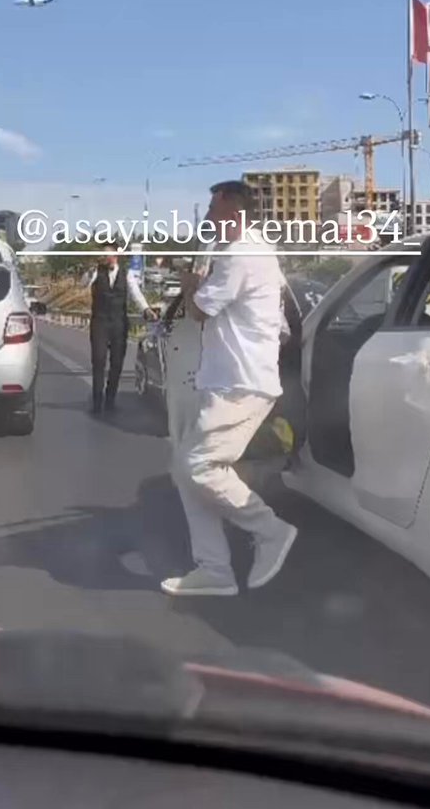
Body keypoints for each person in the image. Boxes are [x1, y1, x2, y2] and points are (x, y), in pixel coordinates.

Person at [161, 180, 298, 597]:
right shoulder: (247, 249)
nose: (207, 215)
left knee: (199, 466)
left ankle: (270, 530)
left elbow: (199, 311)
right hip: (228, 380)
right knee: (185, 469)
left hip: (242, 382)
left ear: (232, 211)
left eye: (212, 208)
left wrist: (189, 282)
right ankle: (214, 568)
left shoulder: (242, 252)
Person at [85, 245, 156, 415]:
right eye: (103, 255)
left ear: (116, 256)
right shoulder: (96, 272)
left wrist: (146, 309)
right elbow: (84, 284)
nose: (105, 258)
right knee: (98, 360)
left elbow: (135, 293)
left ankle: (110, 399)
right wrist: (90, 271)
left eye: (108, 255)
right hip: (100, 322)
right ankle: (97, 401)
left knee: (117, 363)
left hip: (119, 323)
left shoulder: (126, 274)